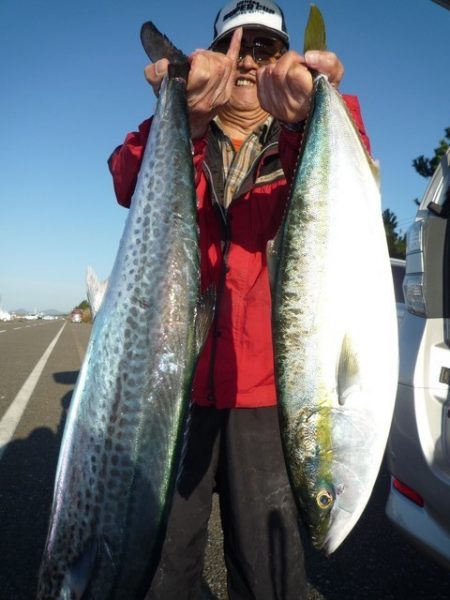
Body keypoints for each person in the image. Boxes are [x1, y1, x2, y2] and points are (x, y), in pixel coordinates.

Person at [108, 1, 371, 598]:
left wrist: (318, 109)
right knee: (165, 565)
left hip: (265, 393)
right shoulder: (185, 125)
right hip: (180, 387)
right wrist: (181, 112)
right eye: (237, 45)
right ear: (212, 56)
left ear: (285, 59)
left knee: (267, 572)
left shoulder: (301, 144)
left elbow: (350, 183)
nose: (249, 62)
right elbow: (126, 178)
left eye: (266, 48)